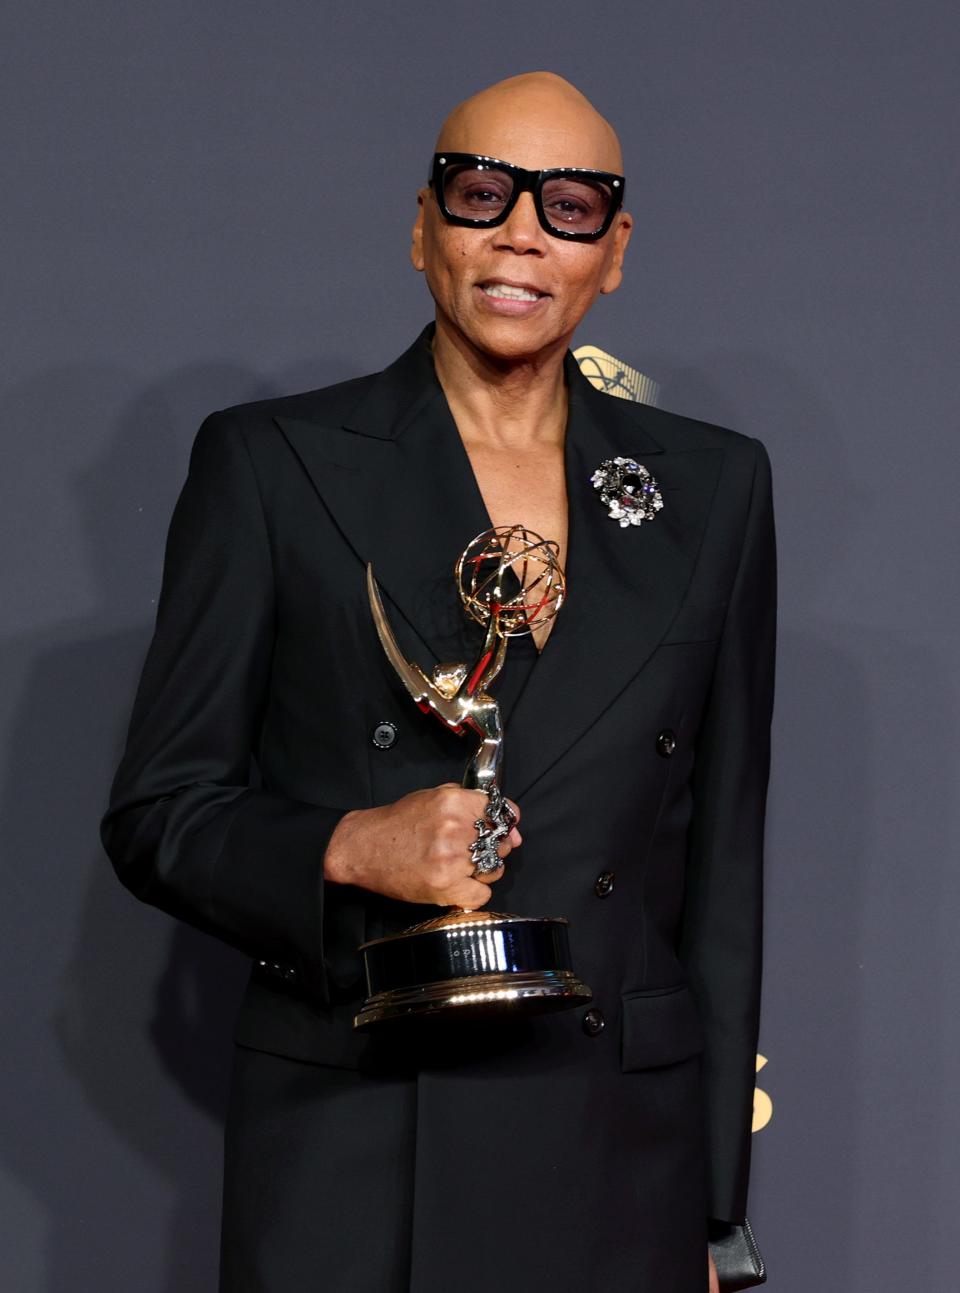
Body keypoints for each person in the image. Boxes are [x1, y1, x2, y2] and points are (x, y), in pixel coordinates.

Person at [102, 72, 775, 1293]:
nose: (522, 233)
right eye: (482, 194)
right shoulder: (272, 464)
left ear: (613, 252)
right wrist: (351, 847)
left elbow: (722, 870)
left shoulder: (718, 489)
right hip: (361, 1138)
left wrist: (718, 1206)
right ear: (423, 226)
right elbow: (160, 816)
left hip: (618, 1149)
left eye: (569, 206)